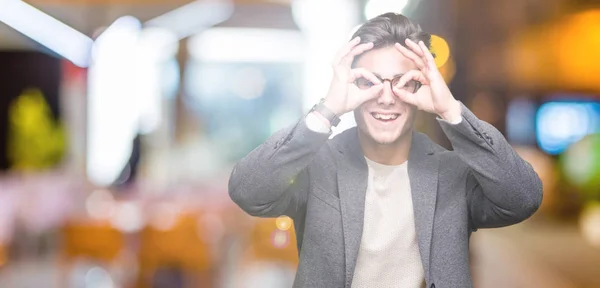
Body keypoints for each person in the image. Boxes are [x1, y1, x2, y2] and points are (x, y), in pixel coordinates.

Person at [228, 12, 543, 288]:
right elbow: (248, 190)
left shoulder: (452, 173)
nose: (387, 97)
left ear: (420, 86)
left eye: (402, 81)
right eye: (370, 82)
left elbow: (523, 198)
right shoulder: (317, 166)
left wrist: (450, 111)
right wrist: (327, 110)